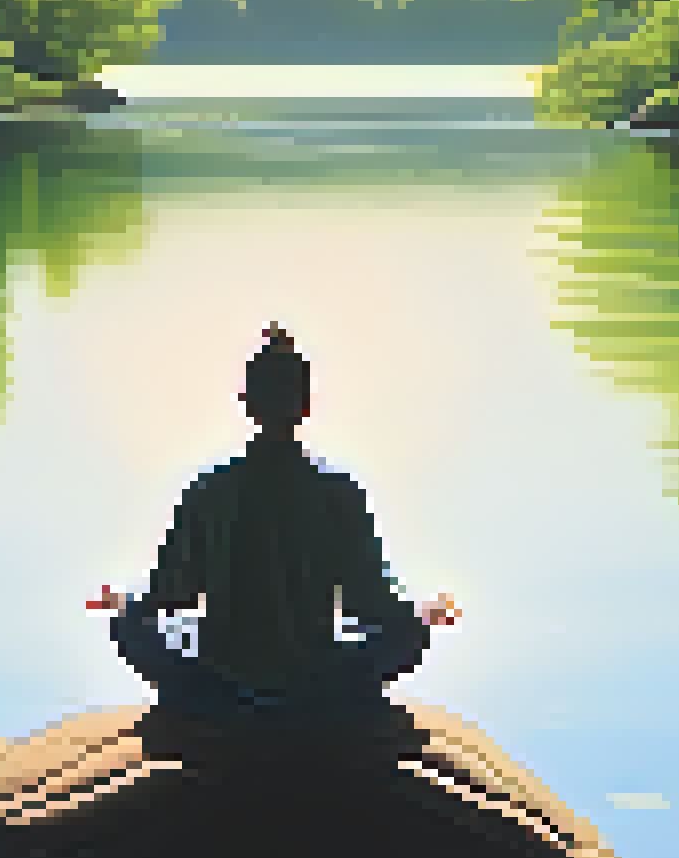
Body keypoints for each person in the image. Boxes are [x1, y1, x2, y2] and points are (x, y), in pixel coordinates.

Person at [86, 323, 457, 760]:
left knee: (130, 627)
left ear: (247, 403)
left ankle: (227, 707)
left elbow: (171, 593)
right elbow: (368, 606)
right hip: (316, 684)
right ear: (306, 403)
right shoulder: (338, 492)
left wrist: (126, 605)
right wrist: (421, 615)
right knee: (411, 632)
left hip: (219, 684)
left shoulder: (209, 490)